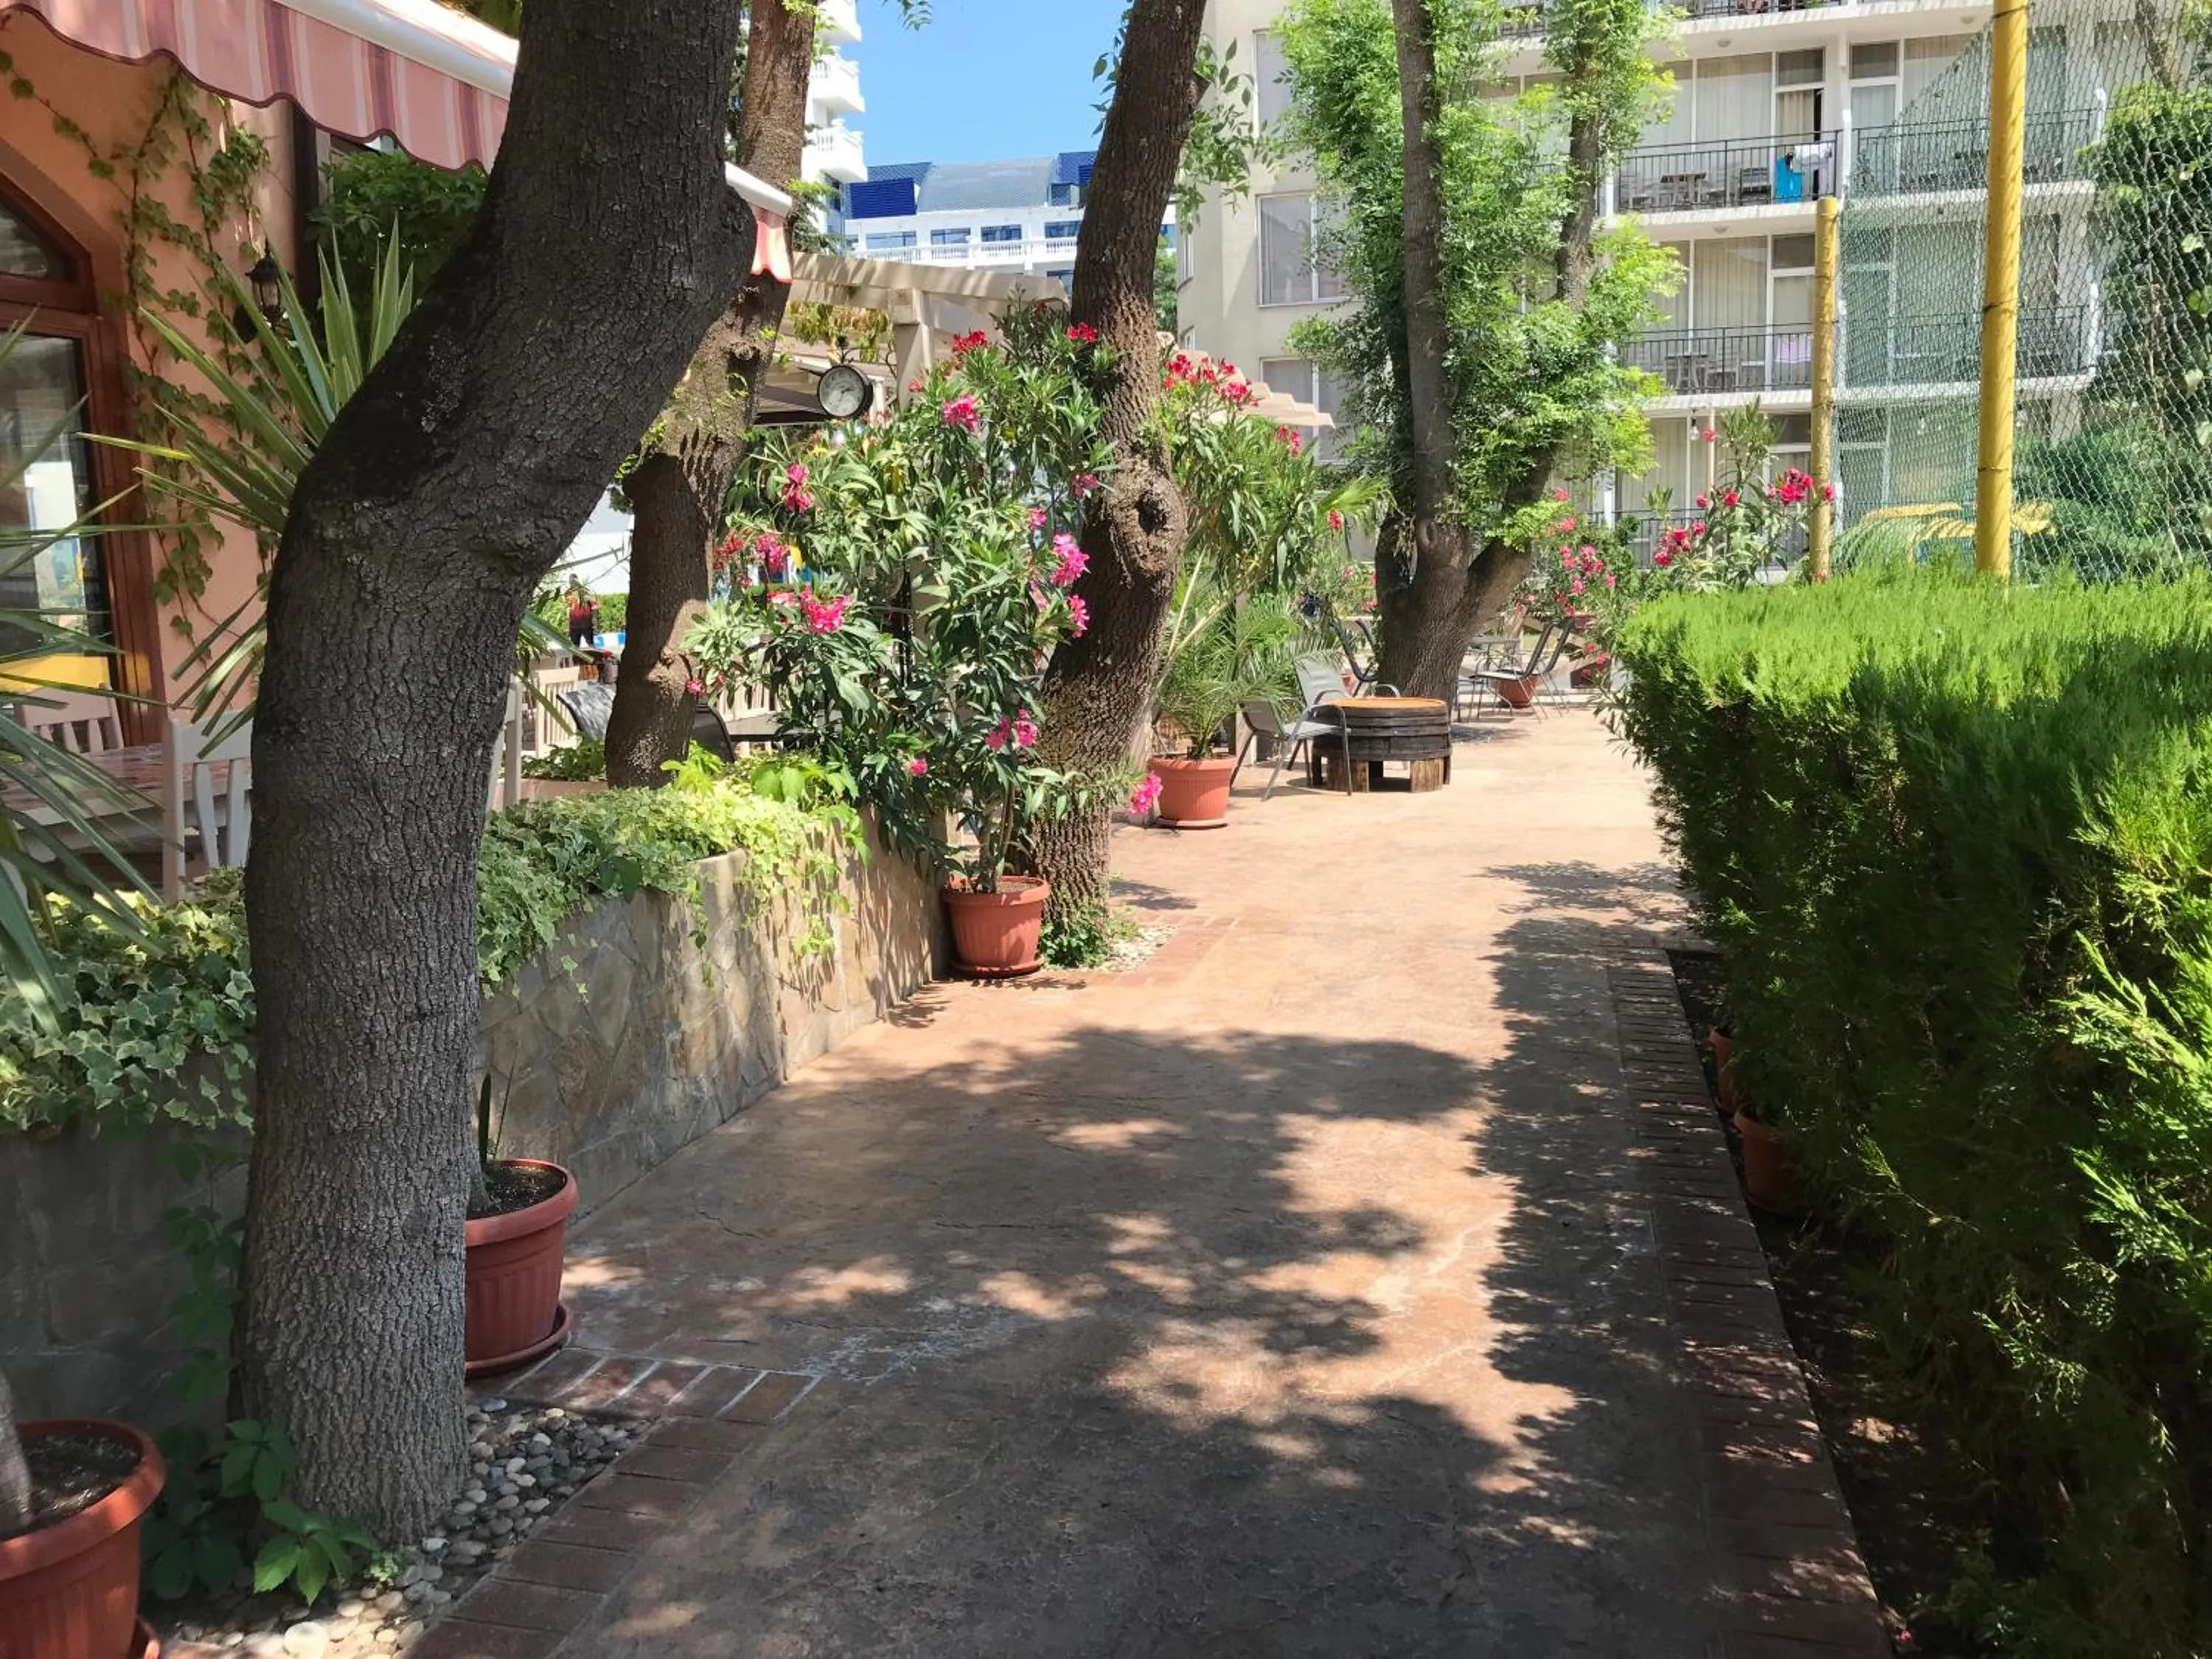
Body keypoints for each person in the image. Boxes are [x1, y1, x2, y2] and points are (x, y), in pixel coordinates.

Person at [565, 583, 598, 649]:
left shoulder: (586, 601)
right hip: (574, 628)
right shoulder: (570, 607)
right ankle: (576, 658)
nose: (568, 600)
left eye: (569, 598)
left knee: (591, 644)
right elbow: (568, 618)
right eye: (567, 599)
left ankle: (594, 656)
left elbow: (596, 607)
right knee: (575, 646)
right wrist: (568, 629)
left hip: (587, 626)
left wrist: (594, 619)